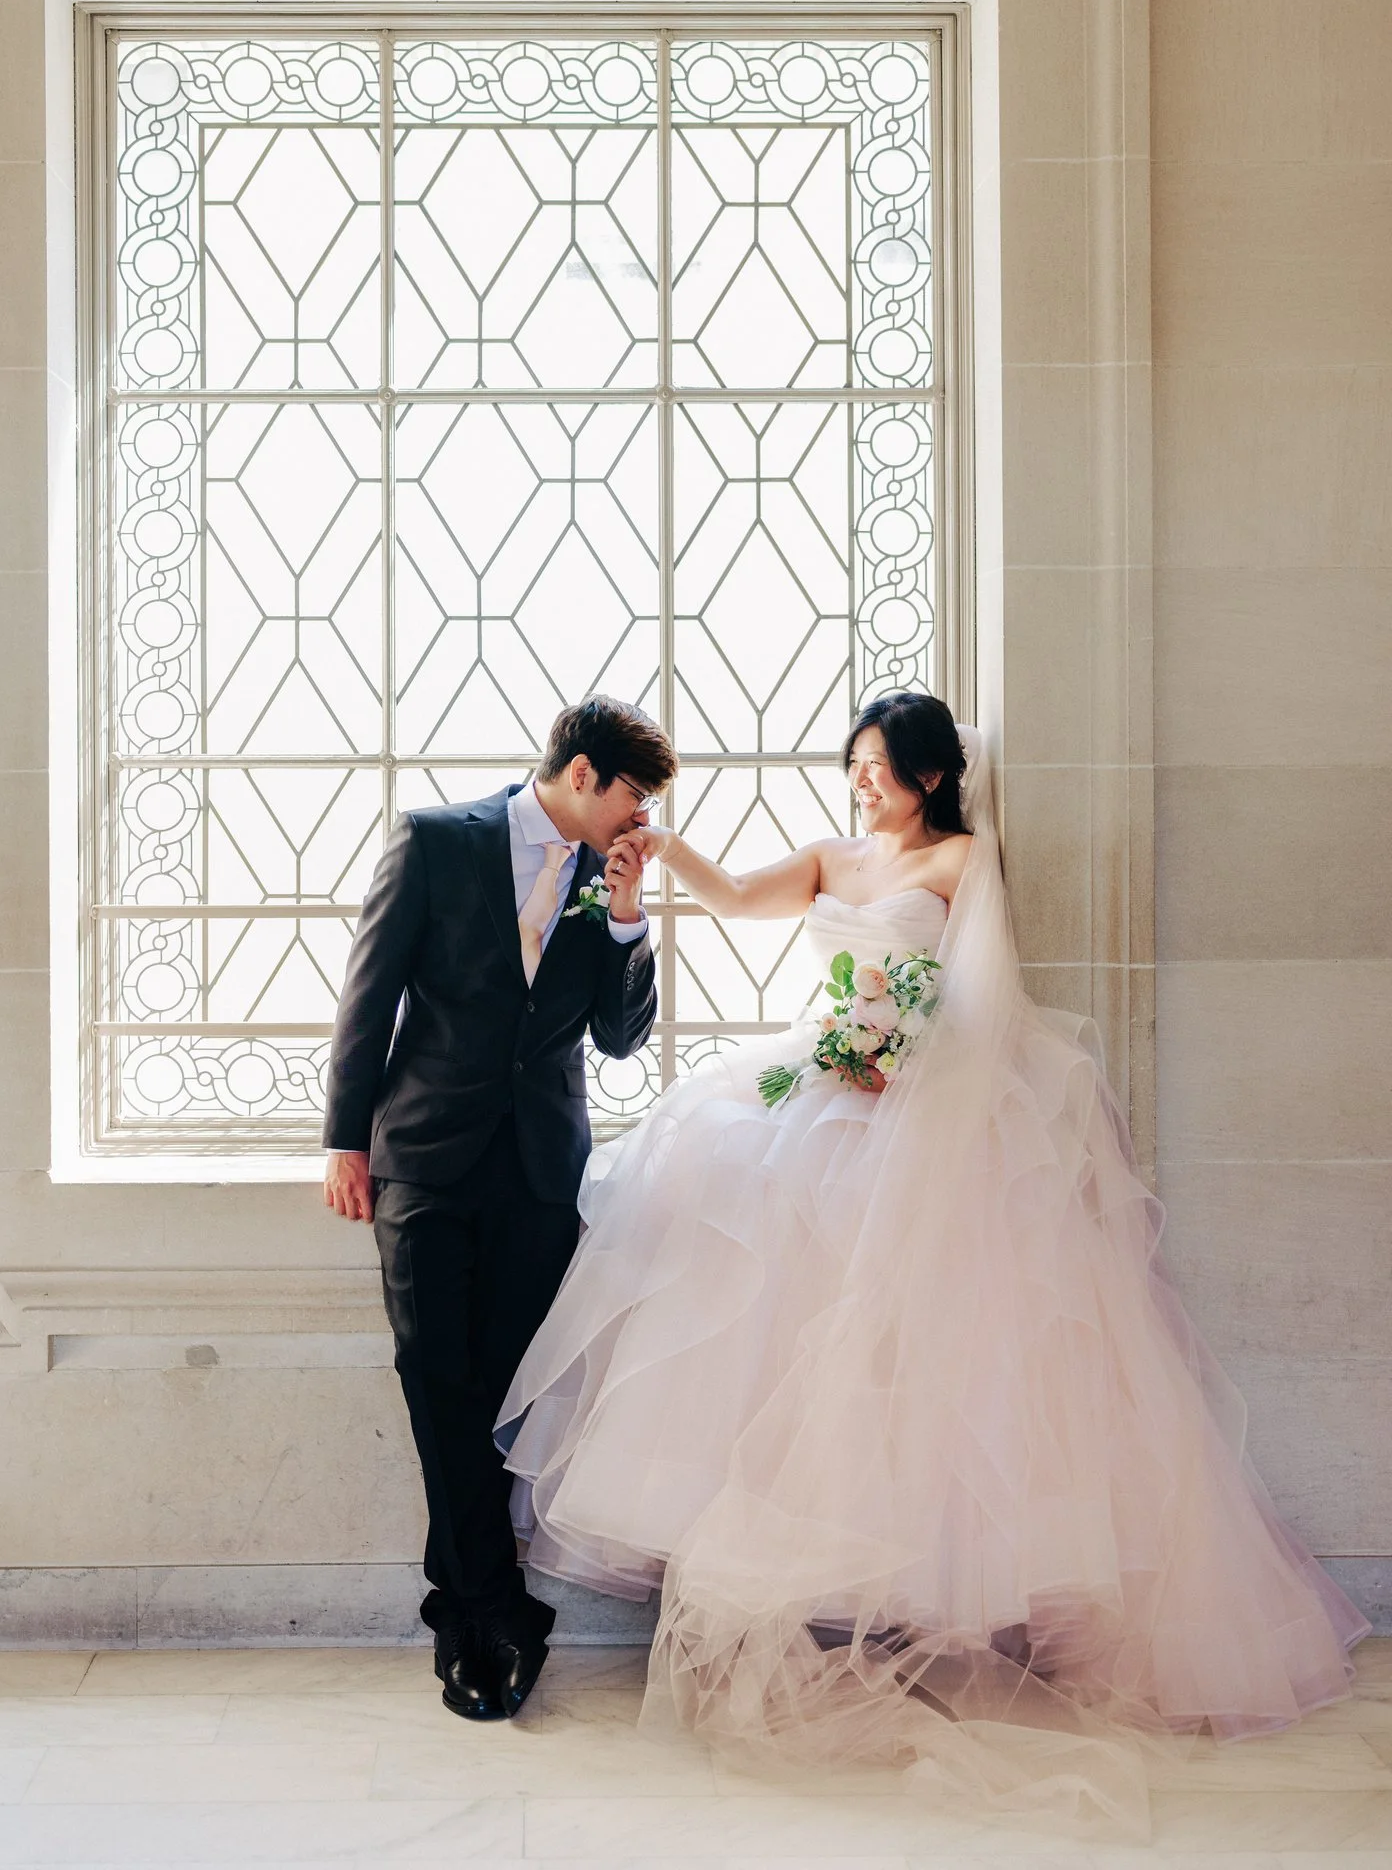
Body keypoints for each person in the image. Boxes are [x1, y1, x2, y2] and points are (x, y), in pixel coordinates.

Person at [498, 691, 1366, 1835]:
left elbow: (981, 999)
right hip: (821, 1090)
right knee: (773, 1309)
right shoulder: (830, 855)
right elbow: (744, 899)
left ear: (928, 773)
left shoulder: (963, 859)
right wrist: (665, 856)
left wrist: (907, 1054)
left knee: (919, 1343)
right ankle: (812, 1586)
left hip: (924, 1105)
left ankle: (924, 1596)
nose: (862, 782)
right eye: (853, 764)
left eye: (879, 766)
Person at [322, 695, 678, 1721]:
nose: (637, 819)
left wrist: (624, 919)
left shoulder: (604, 879)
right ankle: (482, 1613)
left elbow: (617, 1038)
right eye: (631, 797)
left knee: (500, 1392)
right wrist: (345, 1140)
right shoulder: (436, 840)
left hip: (537, 1171)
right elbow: (370, 991)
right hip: (425, 1156)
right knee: (436, 1377)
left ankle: (480, 1600)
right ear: (580, 775)